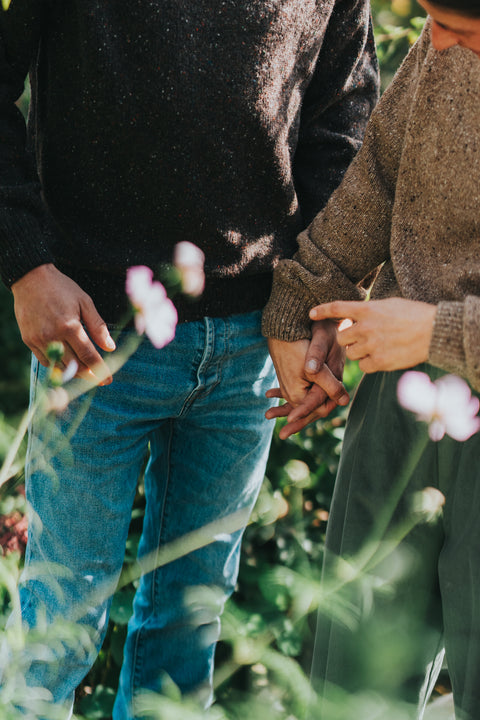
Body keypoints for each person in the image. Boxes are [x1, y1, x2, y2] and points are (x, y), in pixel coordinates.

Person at [0, 0, 378, 718]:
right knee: (56, 635)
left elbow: (344, 122)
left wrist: (316, 299)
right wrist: (26, 264)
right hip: (94, 337)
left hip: (254, 348)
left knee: (188, 636)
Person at [263, 2, 480, 718]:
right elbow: (381, 176)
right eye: (431, 21)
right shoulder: (440, 46)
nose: (438, 45)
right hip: (398, 403)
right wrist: (304, 307)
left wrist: (441, 334)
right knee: (353, 683)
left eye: (464, 32)